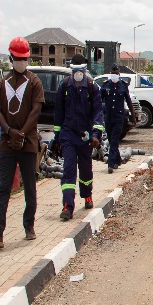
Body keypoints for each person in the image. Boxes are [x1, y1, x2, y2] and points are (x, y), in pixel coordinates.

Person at [0, 37, 45, 249]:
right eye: (18, 58)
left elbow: (36, 111)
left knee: (30, 187)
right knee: (4, 188)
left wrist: (23, 133)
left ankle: (29, 226)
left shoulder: (34, 81)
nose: (21, 61)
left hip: (28, 143)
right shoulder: (3, 83)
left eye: (24, 58)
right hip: (6, 143)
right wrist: (9, 131)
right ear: (11, 58)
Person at [53, 54, 104, 220]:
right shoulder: (65, 86)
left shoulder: (92, 87)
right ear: (71, 69)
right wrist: (57, 136)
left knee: (86, 170)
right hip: (68, 134)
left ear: (85, 69)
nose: (77, 74)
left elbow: (97, 112)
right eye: (74, 70)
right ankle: (68, 206)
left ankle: (87, 195)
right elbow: (59, 112)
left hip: (85, 136)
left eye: (80, 70)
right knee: (68, 171)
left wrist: (96, 135)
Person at [101, 64, 136, 174]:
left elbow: (129, 101)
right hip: (108, 117)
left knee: (115, 140)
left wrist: (133, 116)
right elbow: (98, 101)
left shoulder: (123, 86)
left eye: (116, 73)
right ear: (110, 74)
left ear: (119, 74)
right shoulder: (105, 85)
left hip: (119, 118)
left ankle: (110, 164)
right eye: (113, 73)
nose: (114, 75)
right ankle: (118, 160)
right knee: (111, 140)